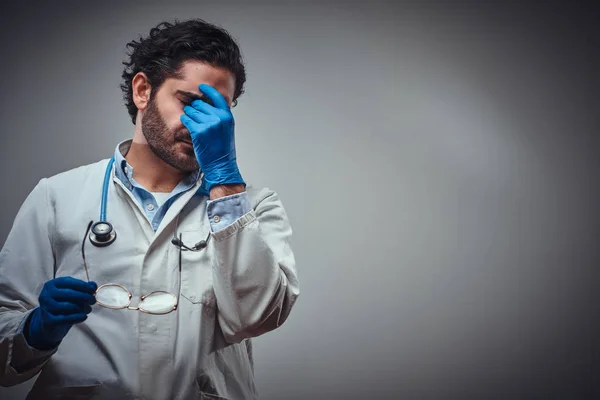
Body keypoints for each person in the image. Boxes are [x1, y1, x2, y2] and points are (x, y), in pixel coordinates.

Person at [0, 18, 299, 400]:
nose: (202, 126)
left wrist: (224, 181)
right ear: (143, 90)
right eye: (190, 103)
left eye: (218, 111)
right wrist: (34, 332)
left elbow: (260, 317)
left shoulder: (251, 207)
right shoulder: (57, 197)